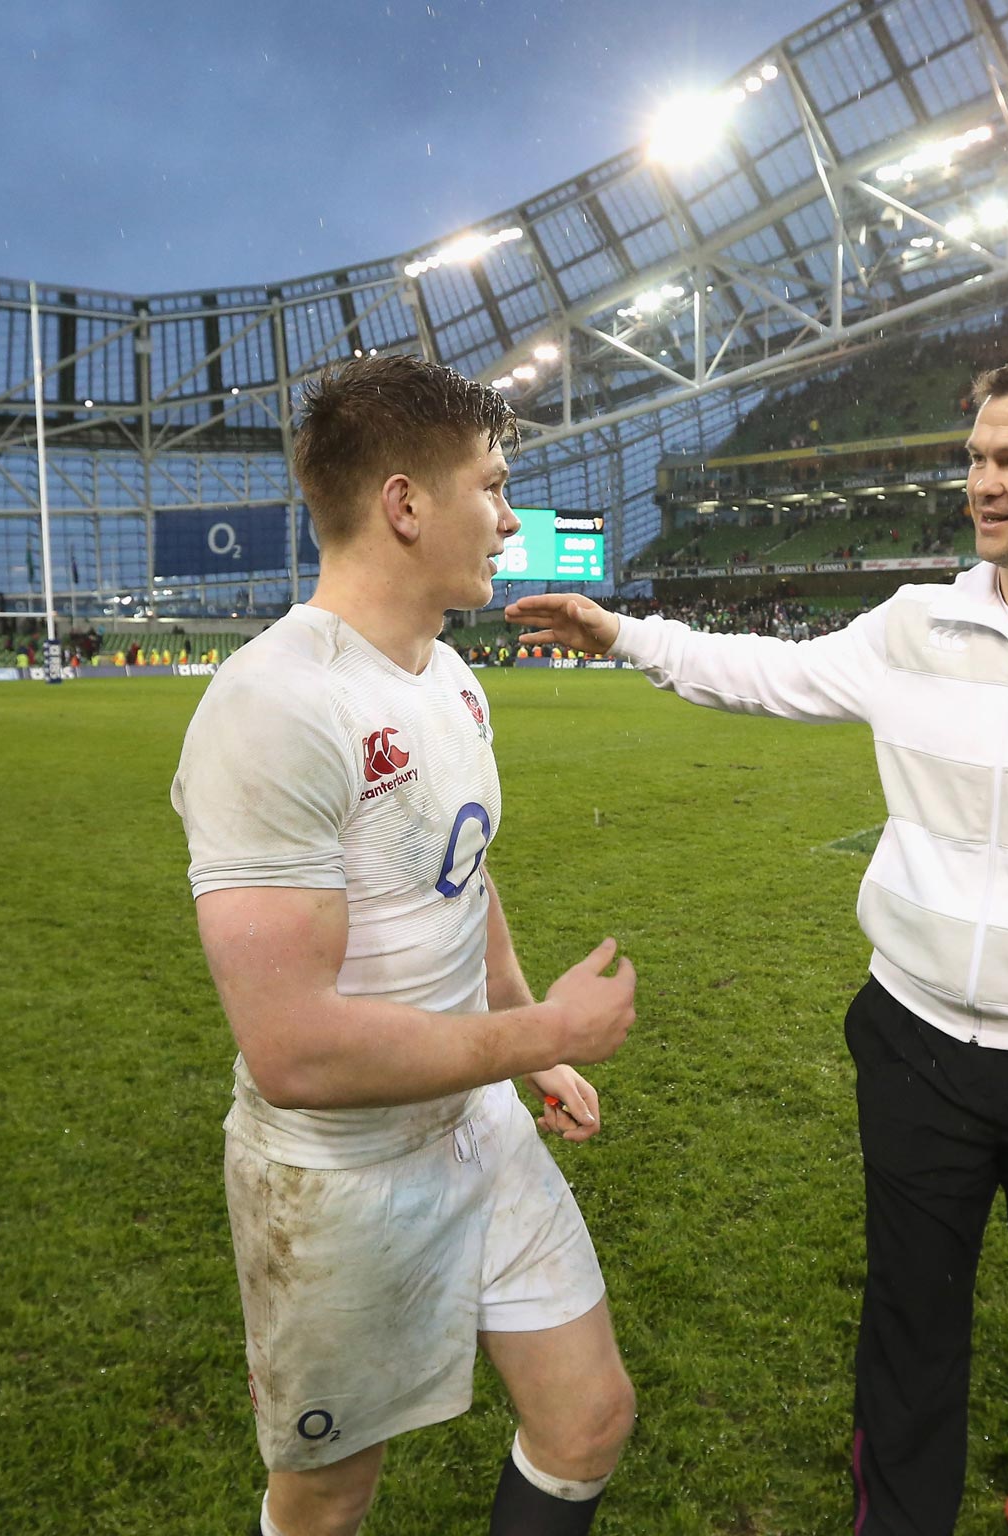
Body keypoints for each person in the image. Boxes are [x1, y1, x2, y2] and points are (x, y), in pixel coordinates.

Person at [510, 345, 1008, 1536]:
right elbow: (765, 674)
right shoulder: (916, 623)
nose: (979, 481)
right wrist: (622, 634)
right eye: (973, 456)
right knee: (906, 1326)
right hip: (915, 1044)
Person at [171, 355, 639, 1536]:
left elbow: (460, 878)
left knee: (586, 1421)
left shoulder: (451, 682)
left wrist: (528, 1058)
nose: (512, 515)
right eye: (493, 484)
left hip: (469, 1118)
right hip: (338, 1172)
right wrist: (541, 1030)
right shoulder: (272, 706)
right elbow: (293, 1051)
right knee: (331, 1498)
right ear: (404, 505)